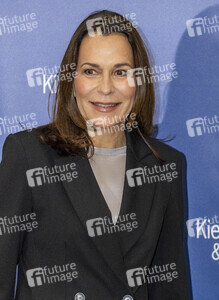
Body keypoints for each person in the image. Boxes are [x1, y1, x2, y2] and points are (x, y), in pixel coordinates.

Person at [0, 10, 188, 299]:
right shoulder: (28, 155)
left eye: (120, 72)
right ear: (71, 80)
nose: (106, 88)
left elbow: (171, 287)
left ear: (138, 83)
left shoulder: (166, 165)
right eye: (91, 71)